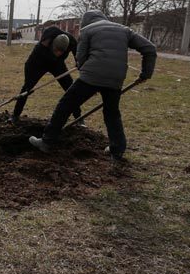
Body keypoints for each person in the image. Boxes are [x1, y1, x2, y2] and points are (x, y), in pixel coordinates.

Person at [29, 10, 156, 162]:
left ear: (85, 22)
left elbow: (81, 58)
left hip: (92, 75)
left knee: (65, 105)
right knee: (112, 113)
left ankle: (46, 142)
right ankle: (117, 150)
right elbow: (150, 49)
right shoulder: (124, 30)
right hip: (116, 78)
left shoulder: (87, 30)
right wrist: (146, 74)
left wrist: (88, 78)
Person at [9, 26, 81, 124]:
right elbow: (29, 65)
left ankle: (79, 119)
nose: (58, 54)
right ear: (51, 44)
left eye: (61, 52)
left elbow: (79, 55)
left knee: (70, 88)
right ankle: (15, 116)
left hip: (57, 64)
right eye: (56, 51)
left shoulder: (71, 42)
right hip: (38, 63)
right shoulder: (46, 40)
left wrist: (79, 62)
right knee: (26, 89)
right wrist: (29, 81)